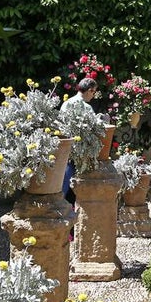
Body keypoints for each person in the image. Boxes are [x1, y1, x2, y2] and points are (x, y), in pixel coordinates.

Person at [60, 77, 99, 208]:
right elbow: (95, 129)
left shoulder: (66, 103)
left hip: (65, 149)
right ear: (89, 90)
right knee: (74, 189)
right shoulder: (86, 107)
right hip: (79, 153)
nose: (93, 96)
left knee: (63, 185)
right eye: (94, 92)